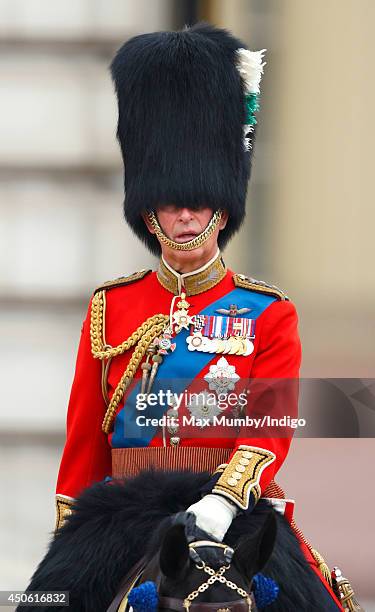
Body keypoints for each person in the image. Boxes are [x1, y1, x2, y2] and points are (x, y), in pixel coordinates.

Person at [55, 22, 357, 610]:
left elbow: (268, 425)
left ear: (222, 208)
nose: (187, 217)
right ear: (150, 215)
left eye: (198, 202)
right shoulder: (110, 307)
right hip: (124, 509)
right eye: (172, 203)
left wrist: (223, 499)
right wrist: (72, 524)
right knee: (44, 602)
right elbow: (85, 438)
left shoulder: (267, 312)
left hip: (231, 510)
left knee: (320, 603)